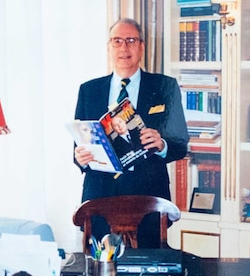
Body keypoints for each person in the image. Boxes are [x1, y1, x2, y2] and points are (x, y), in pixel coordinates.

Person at [74, 17, 189, 248]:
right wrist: (81, 158)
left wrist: (162, 144)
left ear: (142, 47)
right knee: (102, 273)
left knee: (149, 272)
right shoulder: (89, 90)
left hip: (148, 197)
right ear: (109, 47)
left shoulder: (165, 87)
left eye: (131, 40)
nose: (124, 48)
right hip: (100, 198)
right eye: (117, 41)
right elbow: (78, 149)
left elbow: (180, 144)